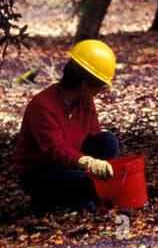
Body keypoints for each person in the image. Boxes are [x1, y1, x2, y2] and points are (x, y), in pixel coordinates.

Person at [14, 40, 120, 213]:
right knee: (81, 182)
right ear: (85, 85)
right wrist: (87, 163)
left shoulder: (85, 101)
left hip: (70, 161)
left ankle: (87, 193)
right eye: (100, 87)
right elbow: (55, 151)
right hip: (39, 171)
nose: (99, 92)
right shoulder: (42, 106)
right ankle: (50, 198)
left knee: (108, 141)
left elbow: (94, 134)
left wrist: (97, 164)